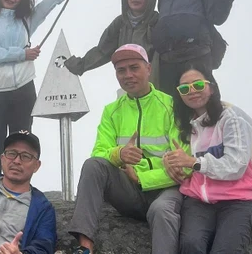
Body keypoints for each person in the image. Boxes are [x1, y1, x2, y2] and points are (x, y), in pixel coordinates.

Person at [67, 44, 185, 254]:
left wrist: (143, 179)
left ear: (148, 68)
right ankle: (84, 247)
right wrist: (118, 154)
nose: (128, 75)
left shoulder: (171, 106)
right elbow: (99, 153)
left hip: (165, 191)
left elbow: (183, 168)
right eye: (121, 70)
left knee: (160, 210)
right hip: (129, 192)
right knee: (93, 165)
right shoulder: (112, 111)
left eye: (134, 67)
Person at [0, 0, 89, 175]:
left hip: (23, 90)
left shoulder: (26, 21)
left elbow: (50, 4)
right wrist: (22, 54)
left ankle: (19, 189)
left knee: (22, 144)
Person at [164, 65, 252, 254]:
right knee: (190, 246)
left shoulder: (232, 118)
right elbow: (174, 156)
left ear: (211, 87)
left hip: (238, 200)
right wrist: (170, 163)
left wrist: (193, 163)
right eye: (184, 88)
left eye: (198, 85)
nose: (192, 91)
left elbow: (236, 165)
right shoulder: (184, 125)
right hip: (198, 201)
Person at [64, 0, 160, 87]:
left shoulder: (158, 22)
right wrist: (80, 65)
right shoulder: (120, 23)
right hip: (130, 85)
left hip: (157, 88)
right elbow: (103, 51)